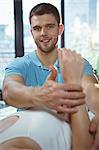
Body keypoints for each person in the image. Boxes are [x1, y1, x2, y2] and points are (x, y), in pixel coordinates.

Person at [0, 2, 99, 150]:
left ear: (60, 29)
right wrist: (40, 95)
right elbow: (10, 91)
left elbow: (91, 90)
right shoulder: (20, 64)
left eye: (50, 26)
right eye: (37, 28)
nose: (43, 33)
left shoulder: (76, 63)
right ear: (31, 32)